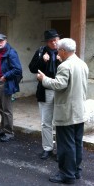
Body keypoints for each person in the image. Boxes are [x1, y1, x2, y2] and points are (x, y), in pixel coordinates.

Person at [37, 38, 89, 184]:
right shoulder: (82, 64)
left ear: (64, 51)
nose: (57, 52)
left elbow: (59, 84)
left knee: (66, 144)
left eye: (59, 49)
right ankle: (76, 171)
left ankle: (67, 174)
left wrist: (44, 79)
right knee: (77, 142)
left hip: (67, 112)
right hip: (79, 111)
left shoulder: (65, 66)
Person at [28, 29, 62, 160]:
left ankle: (60, 150)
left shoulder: (64, 51)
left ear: (59, 39)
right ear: (47, 42)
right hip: (45, 90)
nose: (54, 43)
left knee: (60, 122)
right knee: (46, 122)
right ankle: (47, 148)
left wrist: (61, 61)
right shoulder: (41, 51)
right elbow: (32, 68)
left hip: (61, 91)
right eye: (51, 40)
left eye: (55, 39)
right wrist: (42, 60)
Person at [0, 34, 22, 143]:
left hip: (4, 83)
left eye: (1, 41)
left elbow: (17, 69)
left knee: (7, 109)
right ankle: (3, 129)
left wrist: (5, 76)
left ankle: (9, 132)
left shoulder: (11, 52)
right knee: (0, 107)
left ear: (6, 41)